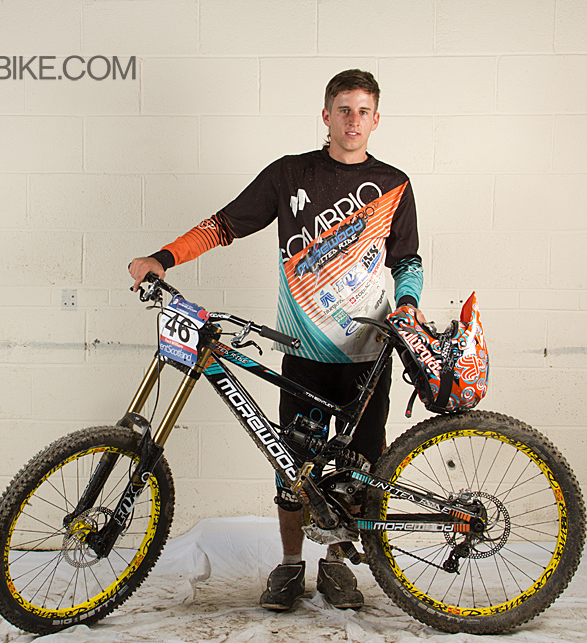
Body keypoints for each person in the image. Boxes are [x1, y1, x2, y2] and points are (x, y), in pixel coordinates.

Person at [128, 69, 424, 612]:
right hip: (303, 351)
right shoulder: (290, 174)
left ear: (376, 120)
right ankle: (290, 565)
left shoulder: (394, 184)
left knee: (358, 471)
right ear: (326, 115)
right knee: (293, 467)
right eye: (343, 109)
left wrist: (407, 305)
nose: (353, 120)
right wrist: (163, 257)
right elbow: (225, 225)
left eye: (363, 111)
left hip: (368, 353)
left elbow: (407, 261)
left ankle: (337, 565)